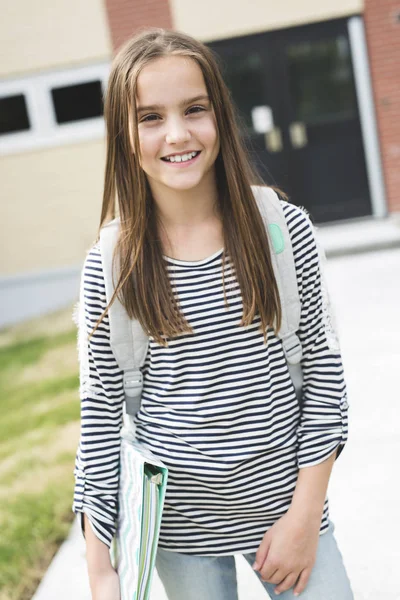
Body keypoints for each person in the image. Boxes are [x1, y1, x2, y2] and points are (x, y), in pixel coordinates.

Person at [72, 27, 353, 600]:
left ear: (220, 116)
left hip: (289, 516)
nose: (177, 133)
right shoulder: (113, 265)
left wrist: (305, 518)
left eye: (194, 109)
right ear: (125, 137)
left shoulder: (281, 230)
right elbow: (101, 420)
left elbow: (325, 379)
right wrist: (102, 571)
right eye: (150, 117)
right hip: (179, 536)